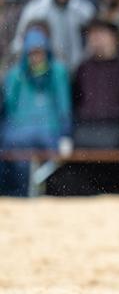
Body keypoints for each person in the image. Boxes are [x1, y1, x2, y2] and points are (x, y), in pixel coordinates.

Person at [55, 19, 119, 195]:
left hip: (116, 134)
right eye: (92, 35)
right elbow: (74, 104)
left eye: (100, 34)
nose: (96, 40)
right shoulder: (82, 69)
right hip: (85, 134)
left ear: (114, 38)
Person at [1, 24, 72, 196]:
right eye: (32, 53)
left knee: (50, 173)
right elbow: (9, 108)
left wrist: (65, 135)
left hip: (49, 133)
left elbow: (64, 107)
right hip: (18, 136)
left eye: (39, 52)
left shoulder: (58, 73)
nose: (36, 58)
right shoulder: (15, 76)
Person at [12, 0, 96, 71]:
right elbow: (19, 42)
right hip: (47, 69)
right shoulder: (37, 9)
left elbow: (94, 25)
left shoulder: (79, 7)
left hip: (75, 66)